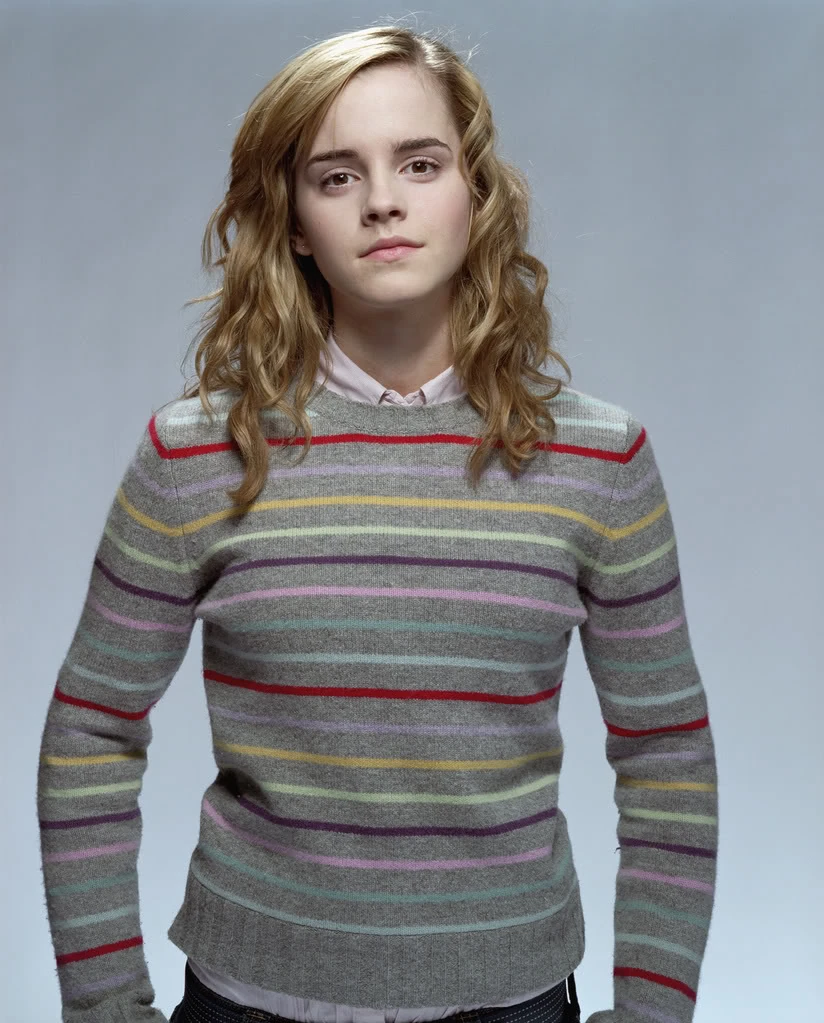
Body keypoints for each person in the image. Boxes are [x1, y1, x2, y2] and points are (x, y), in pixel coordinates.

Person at [36, 22, 718, 1023]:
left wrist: (653, 1013)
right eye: (336, 174)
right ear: (294, 223)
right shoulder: (195, 456)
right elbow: (90, 732)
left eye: (420, 163)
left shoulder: (598, 460)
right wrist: (102, 1009)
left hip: (513, 1000)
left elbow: (667, 758)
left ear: (476, 192)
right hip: (249, 1001)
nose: (383, 200)